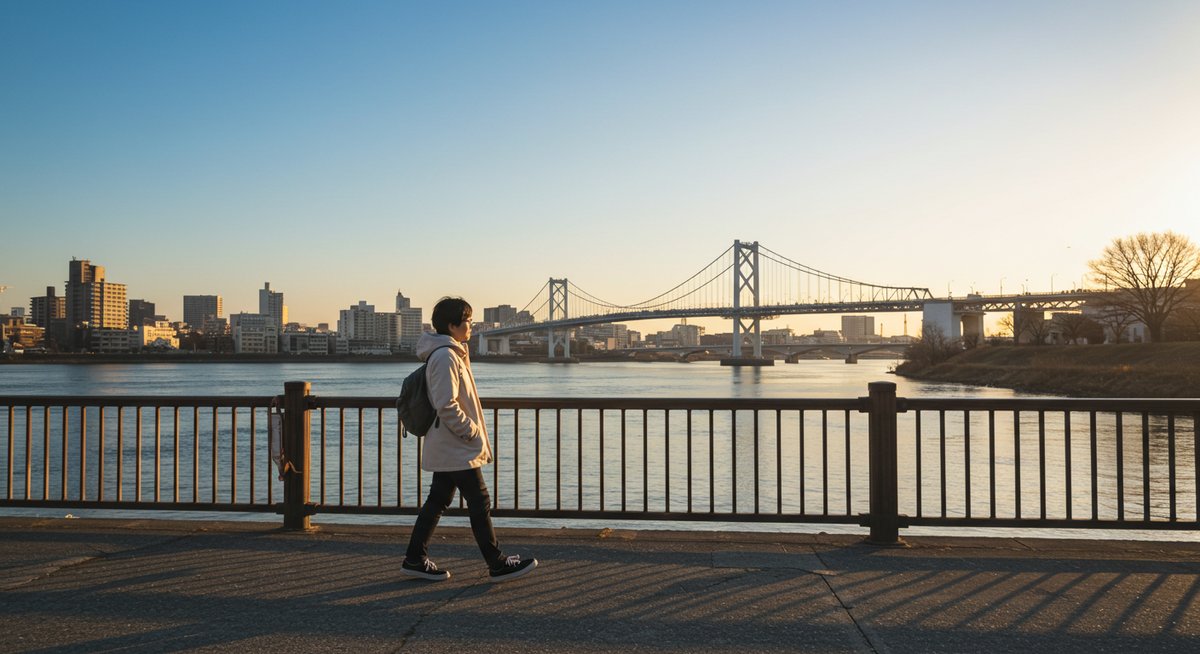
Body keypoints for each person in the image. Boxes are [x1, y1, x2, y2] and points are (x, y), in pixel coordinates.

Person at [401, 296, 538, 583]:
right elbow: (446, 404)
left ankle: (414, 559)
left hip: (449, 443)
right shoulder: (445, 356)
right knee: (479, 500)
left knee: (438, 500)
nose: (472, 327)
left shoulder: (450, 352)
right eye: (468, 321)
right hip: (455, 444)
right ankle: (496, 563)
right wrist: (470, 431)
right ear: (452, 325)